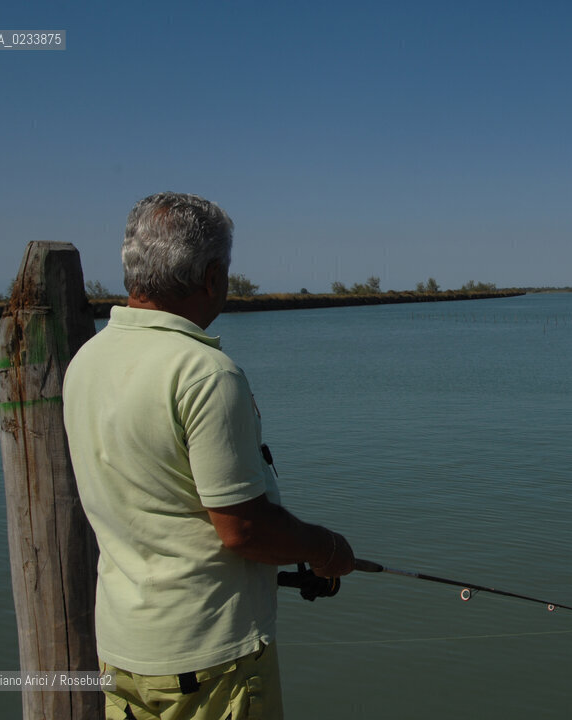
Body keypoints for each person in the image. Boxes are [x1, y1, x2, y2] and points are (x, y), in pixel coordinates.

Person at [63, 191, 355, 719]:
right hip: (211, 664)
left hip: (123, 653)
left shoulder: (86, 360)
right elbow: (242, 529)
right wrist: (326, 546)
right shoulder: (205, 374)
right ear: (213, 276)